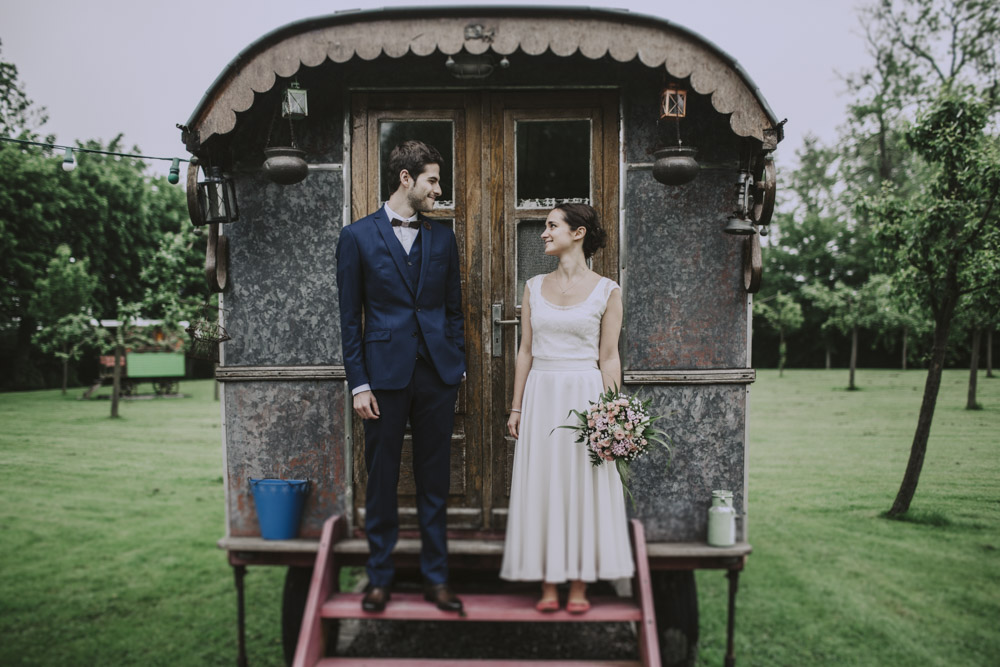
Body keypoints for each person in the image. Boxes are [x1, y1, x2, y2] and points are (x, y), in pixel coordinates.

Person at [336, 140, 466, 613]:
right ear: (406, 178)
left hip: (436, 376)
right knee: (382, 480)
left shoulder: (443, 238)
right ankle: (379, 578)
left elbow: (454, 309)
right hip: (382, 379)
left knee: (435, 481)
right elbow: (350, 318)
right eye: (432, 180)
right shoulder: (356, 236)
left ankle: (436, 579)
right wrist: (359, 383)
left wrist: (456, 362)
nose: (438, 189)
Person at [500, 203, 634, 613]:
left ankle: (579, 583)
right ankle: (548, 582)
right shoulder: (533, 286)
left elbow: (609, 357)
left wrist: (612, 414)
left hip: (585, 395)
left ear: (578, 233)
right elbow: (525, 351)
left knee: (582, 486)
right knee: (544, 485)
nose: (544, 233)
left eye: (551, 226)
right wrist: (517, 407)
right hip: (542, 394)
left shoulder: (607, 290)